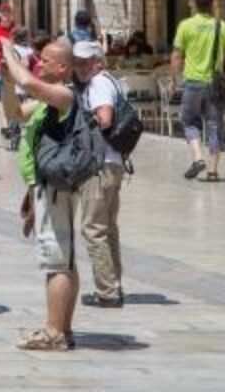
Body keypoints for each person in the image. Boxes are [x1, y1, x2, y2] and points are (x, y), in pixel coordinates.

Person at [0, 40, 80, 351]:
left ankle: (53, 332)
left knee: (56, 261)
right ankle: (63, 328)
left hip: (55, 188)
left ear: (62, 67)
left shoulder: (65, 95)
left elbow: (30, 83)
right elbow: (15, 112)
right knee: (64, 259)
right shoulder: (47, 102)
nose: (39, 64)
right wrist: (8, 81)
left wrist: (8, 52)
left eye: (45, 60)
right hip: (44, 186)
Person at [72, 41, 126, 309]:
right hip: (113, 162)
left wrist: (79, 126)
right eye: (77, 62)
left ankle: (107, 291)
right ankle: (114, 284)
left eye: (86, 62)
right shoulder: (111, 80)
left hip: (100, 164)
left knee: (93, 228)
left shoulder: (98, 85)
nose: (81, 67)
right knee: (108, 228)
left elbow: (104, 118)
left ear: (99, 62)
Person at [172, 0, 225, 182]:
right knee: (214, 125)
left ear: (195, 5)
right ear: (212, 5)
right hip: (214, 83)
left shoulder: (185, 26)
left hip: (192, 82)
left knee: (189, 121)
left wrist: (175, 79)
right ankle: (212, 172)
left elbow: (177, 56)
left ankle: (198, 158)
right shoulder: (221, 26)